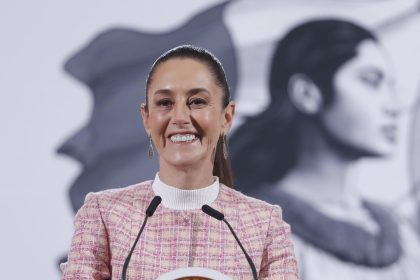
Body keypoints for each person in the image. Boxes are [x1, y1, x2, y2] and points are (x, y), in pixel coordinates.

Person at [61, 45, 299, 279]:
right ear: (147, 119)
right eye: (165, 103)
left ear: (226, 117)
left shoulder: (263, 224)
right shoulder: (104, 215)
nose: (180, 117)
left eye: (197, 101)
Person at [231, 19, 420, 279]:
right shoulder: (248, 234)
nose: (394, 106)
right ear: (307, 94)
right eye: (371, 81)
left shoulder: (402, 235)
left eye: (390, 86)